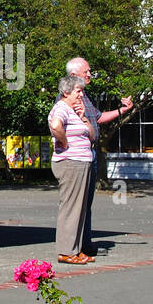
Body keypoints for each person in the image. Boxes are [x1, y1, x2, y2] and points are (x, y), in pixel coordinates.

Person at [62, 57, 133, 256]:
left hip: (89, 154)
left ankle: (85, 245)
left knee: (86, 202)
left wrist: (123, 110)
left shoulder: (84, 96)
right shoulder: (68, 97)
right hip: (77, 156)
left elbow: (99, 117)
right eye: (87, 71)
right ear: (74, 75)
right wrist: (66, 145)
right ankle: (73, 248)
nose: (90, 74)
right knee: (76, 203)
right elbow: (57, 125)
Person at [49, 74, 96, 264]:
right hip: (70, 163)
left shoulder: (75, 111)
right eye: (78, 91)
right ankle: (66, 251)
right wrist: (65, 142)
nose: (81, 94)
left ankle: (75, 249)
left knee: (80, 208)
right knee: (71, 207)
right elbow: (55, 125)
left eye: (82, 90)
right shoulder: (61, 108)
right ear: (66, 91)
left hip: (81, 163)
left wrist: (83, 116)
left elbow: (92, 135)